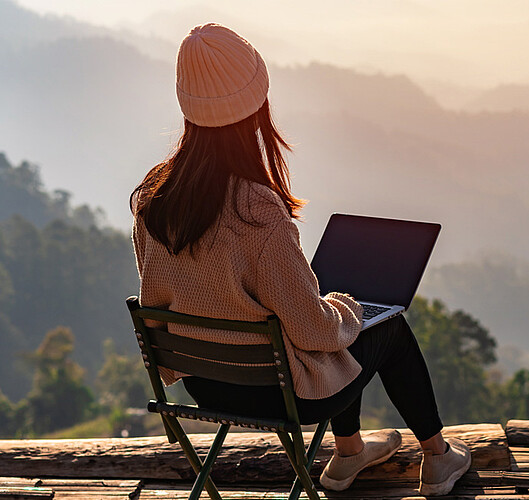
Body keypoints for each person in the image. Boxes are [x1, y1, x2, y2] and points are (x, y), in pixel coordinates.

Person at [130, 23, 471, 496]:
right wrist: (344, 309)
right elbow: (314, 331)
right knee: (383, 326)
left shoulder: (154, 201)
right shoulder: (257, 211)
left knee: (338, 323)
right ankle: (438, 457)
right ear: (257, 106)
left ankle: (349, 452)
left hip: (203, 384)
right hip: (281, 394)